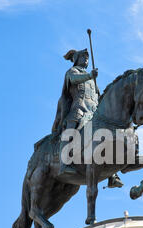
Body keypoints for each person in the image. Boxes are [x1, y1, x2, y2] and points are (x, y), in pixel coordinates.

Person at [53, 48, 123, 188]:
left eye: (87, 58)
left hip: (94, 112)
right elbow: (74, 80)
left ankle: (112, 175)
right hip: (79, 109)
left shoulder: (92, 80)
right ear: (77, 59)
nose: (86, 59)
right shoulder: (73, 72)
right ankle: (64, 163)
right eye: (83, 57)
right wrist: (90, 76)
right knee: (72, 129)